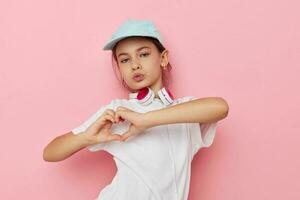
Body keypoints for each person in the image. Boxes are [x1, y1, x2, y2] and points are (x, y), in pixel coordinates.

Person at [43, 19, 229, 200]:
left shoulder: (185, 111)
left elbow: (220, 107)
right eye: (124, 60)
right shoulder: (119, 112)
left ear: (163, 58)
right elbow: (50, 152)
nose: (134, 65)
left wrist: (146, 119)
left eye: (144, 54)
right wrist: (86, 137)